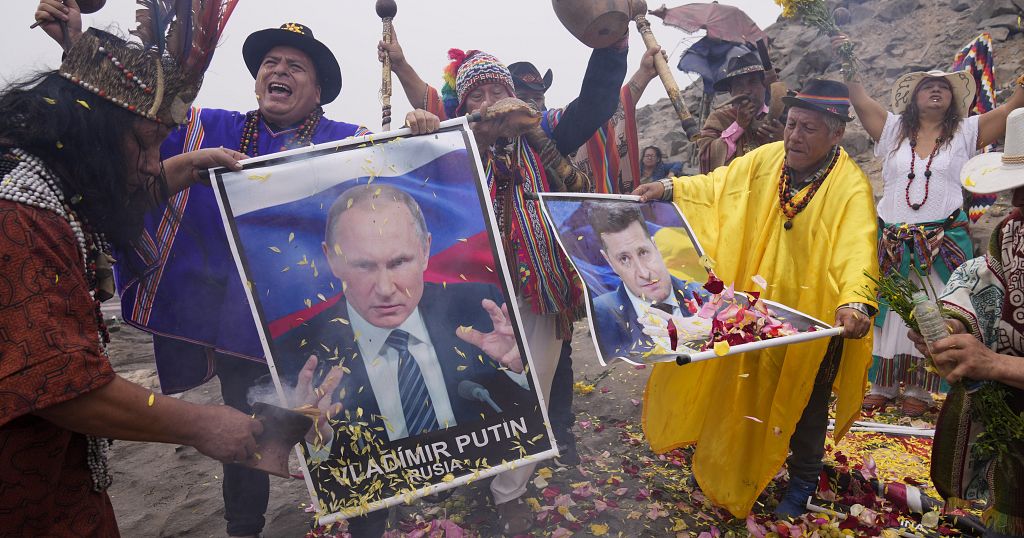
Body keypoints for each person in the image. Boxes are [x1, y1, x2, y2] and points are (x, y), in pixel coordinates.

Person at [33, 4, 439, 535]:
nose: (279, 72)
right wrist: (74, 47)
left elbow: (402, 182)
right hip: (240, 331)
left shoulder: (347, 139)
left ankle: (367, 525)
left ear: (318, 92)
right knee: (246, 439)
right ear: (256, 81)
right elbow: (133, 125)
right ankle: (242, 528)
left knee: (348, 433)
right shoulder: (208, 128)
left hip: (324, 326)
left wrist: (421, 134)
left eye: (296, 67)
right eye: (271, 62)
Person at [0, 13, 266, 535]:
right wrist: (201, 424)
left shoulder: (54, 185)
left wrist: (189, 166)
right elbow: (62, 384)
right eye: (144, 144)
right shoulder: (19, 218)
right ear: (88, 129)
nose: (151, 163)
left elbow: (110, 200)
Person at [379, 37, 625, 532]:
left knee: (531, 388)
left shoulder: (547, 129)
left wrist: (612, 43)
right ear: (462, 104)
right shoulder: (447, 143)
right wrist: (419, 123)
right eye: (478, 94)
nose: (492, 101)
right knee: (470, 387)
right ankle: (473, 475)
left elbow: (598, 101)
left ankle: (509, 491)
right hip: (465, 296)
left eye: (499, 89)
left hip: (540, 291)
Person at [634, 79, 878, 519]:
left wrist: (855, 301)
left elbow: (857, 247)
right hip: (753, 309)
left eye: (808, 128)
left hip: (814, 319)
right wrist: (668, 189)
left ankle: (802, 480)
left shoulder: (851, 186)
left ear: (836, 133)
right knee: (736, 386)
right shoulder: (768, 160)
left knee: (805, 401)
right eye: (791, 124)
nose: (794, 136)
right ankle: (722, 464)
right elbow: (718, 187)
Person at [834, 33, 1024, 418]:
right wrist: (847, 56)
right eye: (929, 87)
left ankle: (921, 389)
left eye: (944, 87)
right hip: (895, 238)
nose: (937, 91)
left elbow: (1011, 110)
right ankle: (884, 384)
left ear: (954, 99)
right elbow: (858, 98)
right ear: (913, 97)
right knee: (890, 310)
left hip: (943, 238)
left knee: (939, 308)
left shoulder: (967, 132)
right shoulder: (891, 132)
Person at [276, 184, 534, 446]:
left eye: (399, 262)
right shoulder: (299, 352)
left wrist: (521, 371)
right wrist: (317, 438)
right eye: (363, 265)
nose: (386, 289)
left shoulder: (480, 309)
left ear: (425, 251)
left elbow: (522, 422)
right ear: (331, 259)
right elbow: (329, 467)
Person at [908, 108, 1024, 537]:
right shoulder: (1013, 232)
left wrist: (994, 364)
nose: (1016, 204)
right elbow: (985, 286)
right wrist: (951, 329)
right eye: (1015, 189)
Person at [585, 201, 705, 358]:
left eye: (643, 252)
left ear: (655, 246)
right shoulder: (602, 314)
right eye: (624, 259)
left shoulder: (705, 296)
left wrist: (708, 331)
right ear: (609, 262)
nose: (644, 273)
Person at [695, 51, 785, 174]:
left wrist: (784, 140)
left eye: (752, 82)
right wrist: (738, 126)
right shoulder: (719, 118)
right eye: (739, 85)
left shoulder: (783, 116)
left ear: (764, 85)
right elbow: (705, 159)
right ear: (731, 91)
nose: (747, 91)